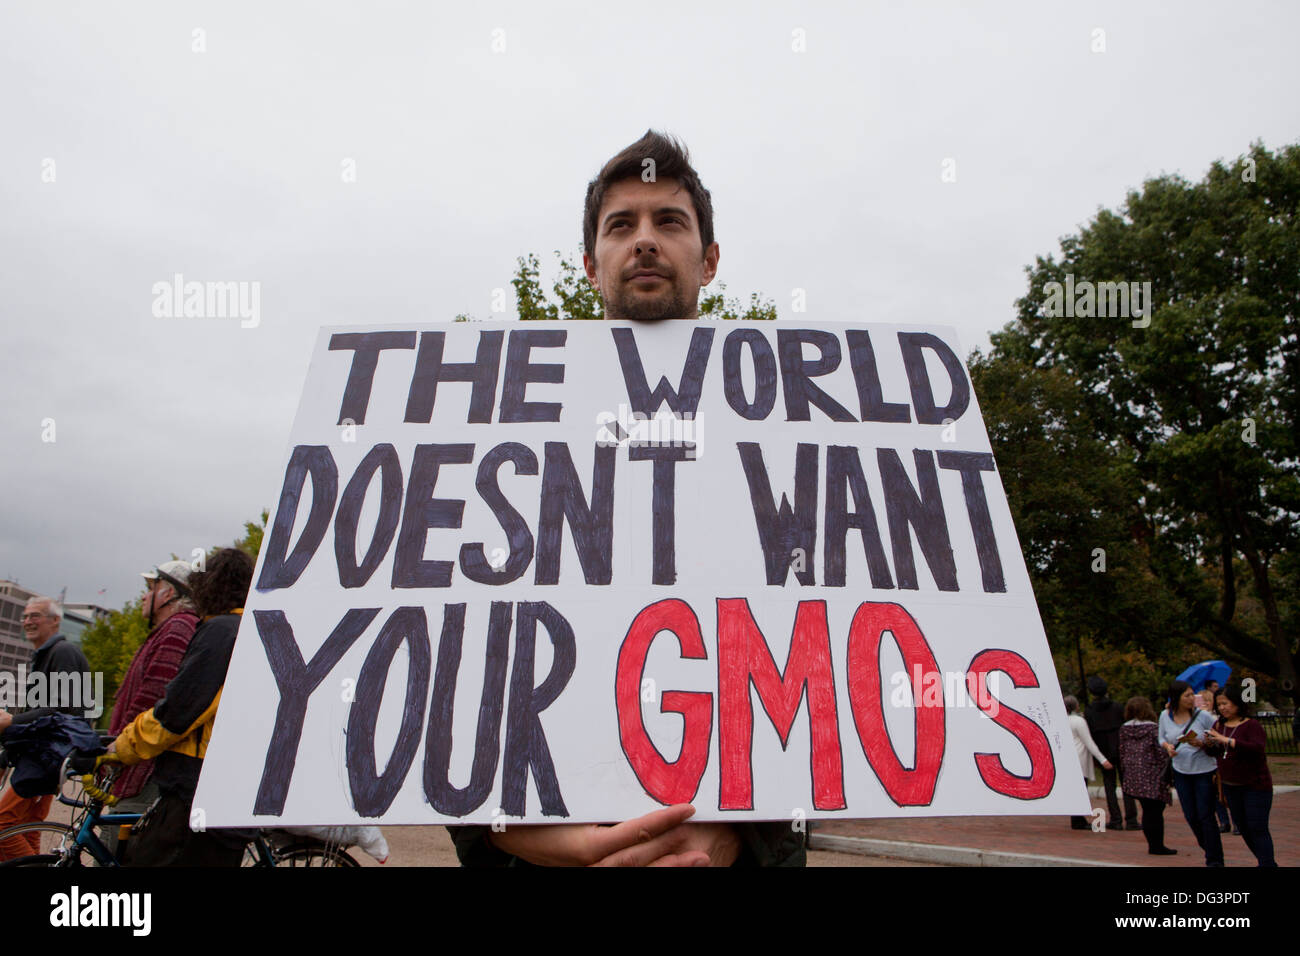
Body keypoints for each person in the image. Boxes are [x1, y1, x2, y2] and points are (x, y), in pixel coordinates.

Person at [448, 131, 801, 867]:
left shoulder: (787, 440)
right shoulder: (503, 435)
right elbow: (458, 683)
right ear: (589, 264)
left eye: (669, 222)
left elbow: (822, 688)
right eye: (622, 225)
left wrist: (733, 837)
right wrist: (543, 843)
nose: (644, 241)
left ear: (709, 259)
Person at [108, 548, 255, 866]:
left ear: (209, 586)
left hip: (196, 790)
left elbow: (177, 712)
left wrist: (121, 746)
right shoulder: (252, 631)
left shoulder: (221, 632)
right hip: (229, 788)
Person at [101, 560, 200, 857]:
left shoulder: (178, 629)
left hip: (143, 770)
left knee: (118, 855)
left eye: (150, 587)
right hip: (138, 763)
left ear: (168, 593)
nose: (144, 596)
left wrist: (117, 750)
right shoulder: (171, 629)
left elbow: (153, 702)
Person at [0, 596, 94, 860]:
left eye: (36, 615)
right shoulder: (46, 655)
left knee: (3, 823)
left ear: (55, 620)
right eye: (25, 616)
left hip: (49, 754)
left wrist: (11, 722)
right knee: (28, 824)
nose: (28, 621)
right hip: (46, 754)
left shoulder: (62, 653)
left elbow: (64, 708)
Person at [1203, 684, 1277, 866]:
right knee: (1244, 828)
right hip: (1230, 786)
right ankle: (1265, 861)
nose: (1222, 707)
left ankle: (1267, 864)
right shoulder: (1218, 725)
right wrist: (1209, 744)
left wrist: (1227, 741)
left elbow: (1257, 749)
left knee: (1257, 828)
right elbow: (1216, 754)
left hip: (1255, 786)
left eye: (1226, 703)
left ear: (1237, 703)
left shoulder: (1251, 725)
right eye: (1219, 704)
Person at [1158, 679, 1223, 866]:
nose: (1191, 698)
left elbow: (1218, 735)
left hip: (1204, 770)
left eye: (1192, 694)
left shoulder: (1202, 716)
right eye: (1187, 695)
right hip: (1181, 771)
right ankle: (1210, 848)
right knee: (1191, 816)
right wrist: (1168, 747)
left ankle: (1215, 860)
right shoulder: (1164, 715)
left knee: (1205, 815)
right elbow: (1161, 737)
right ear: (1176, 697)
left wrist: (1202, 743)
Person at [1117, 697, 1176, 855]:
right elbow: (1160, 751)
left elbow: (1122, 751)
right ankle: (1157, 845)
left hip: (1133, 773)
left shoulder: (1124, 729)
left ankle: (1153, 844)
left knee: (1146, 809)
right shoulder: (1153, 729)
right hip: (1152, 772)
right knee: (1156, 810)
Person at [1084, 676, 1138, 830]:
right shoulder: (1117, 707)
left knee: (1109, 786)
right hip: (1120, 749)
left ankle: (1116, 818)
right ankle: (1131, 818)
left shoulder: (1089, 711)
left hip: (1102, 751)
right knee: (1126, 784)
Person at [1066, 695, 1110, 829]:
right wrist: (1103, 760)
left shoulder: (1062, 720)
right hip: (1080, 757)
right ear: (1076, 706)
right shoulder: (1079, 721)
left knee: (1075, 790)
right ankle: (1078, 820)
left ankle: (1076, 818)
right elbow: (1089, 742)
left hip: (1069, 758)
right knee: (1081, 789)